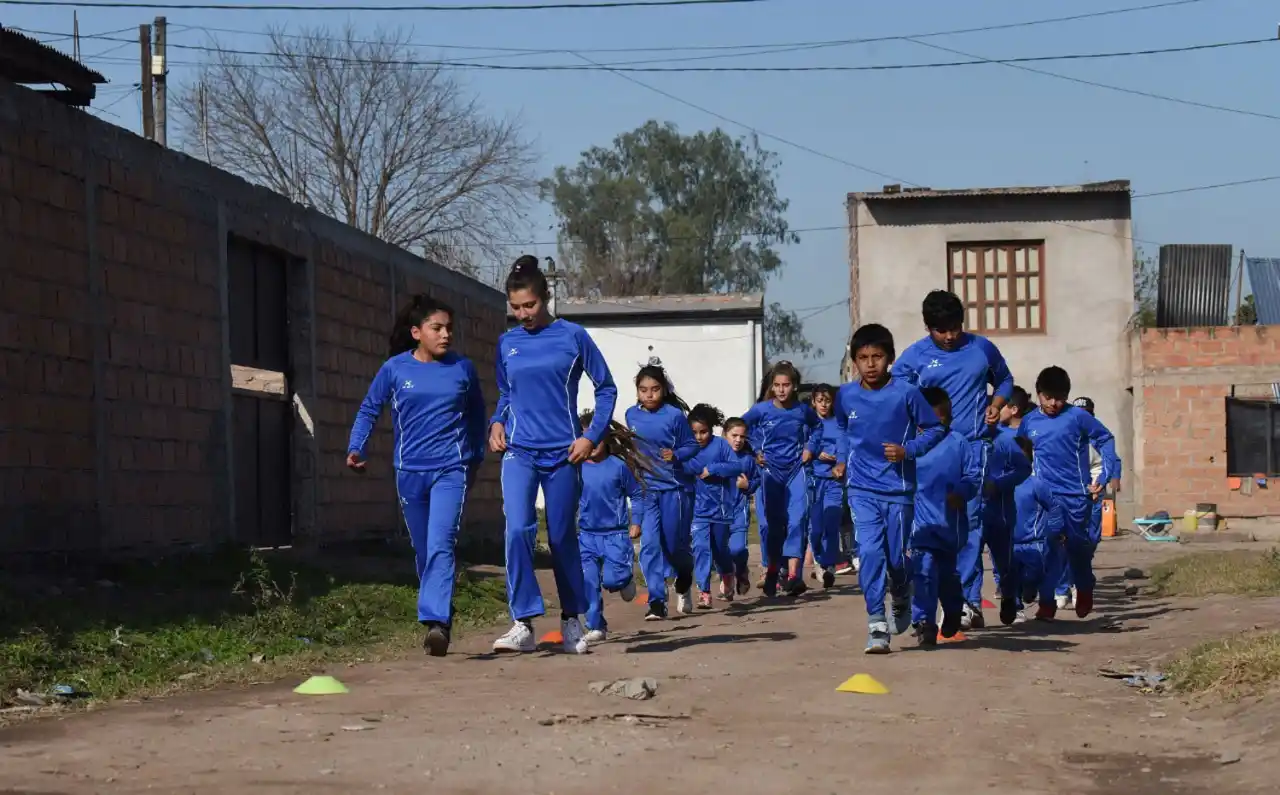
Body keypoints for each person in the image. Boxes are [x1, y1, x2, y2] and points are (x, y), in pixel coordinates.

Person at [489, 255, 618, 655]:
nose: (523, 314)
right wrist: (496, 423)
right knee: (517, 529)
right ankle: (523, 622)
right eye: (516, 307)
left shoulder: (573, 337)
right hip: (520, 451)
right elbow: (506, 394)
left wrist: (591, 436)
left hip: (564, 453)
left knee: (562, 536)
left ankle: (571, 620)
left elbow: (606, 387)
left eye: (530, 305)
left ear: (546, 299)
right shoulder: (506, 343)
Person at [346, 295, 486, 657]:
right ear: (416, 332)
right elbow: (368, 408)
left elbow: (476, 416)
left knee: (441, 542)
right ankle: (441, 610)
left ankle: (435, 621)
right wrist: (356, 446)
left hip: (450, 470)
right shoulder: (394, 370)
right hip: (409, 471)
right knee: (424, 549)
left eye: (449, 329)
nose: (445, 335)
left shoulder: (463, 369)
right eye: (437, 328)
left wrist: (474, 458)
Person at [893, 290, 1014, 630]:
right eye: (941, 330)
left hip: (971, 449)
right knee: (928, 531)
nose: (949, 336)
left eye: (955, 328)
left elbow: (1004, 378)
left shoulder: (981, 348)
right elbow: (896, 398)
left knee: (970, 526)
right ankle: (926, 602)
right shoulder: (913, 358)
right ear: (928, 328)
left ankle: (969, 603)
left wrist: (997, 402)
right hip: (928, 453)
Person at [833, 324, 945, 654]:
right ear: (854, 361)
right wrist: (841, 459)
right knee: (868, 552)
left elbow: (934, 429)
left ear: (891, 359)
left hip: (898, 488)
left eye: (877, 357)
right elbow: (841, 429)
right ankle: (876, 623)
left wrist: (907, 450)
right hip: (861, 487)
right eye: (863, 358)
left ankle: (900, 591)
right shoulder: (846, 395)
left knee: (896, 558)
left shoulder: (907, 393)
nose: (870, 364)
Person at [1016, 367, 1121, 619]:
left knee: (1076, 548)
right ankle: (1047, 601)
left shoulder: (1077, 417)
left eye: (1060, 397)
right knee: (1046, 548)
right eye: (1048, 397)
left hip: (1075, 495)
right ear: (1039, 394)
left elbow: (1106, 439)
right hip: (1043, 496)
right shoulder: (1029, 421)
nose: (1054, 403)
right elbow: (1020, 453)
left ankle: (1084, 588)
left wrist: (1104, 476)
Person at [909, 386, 982, 646]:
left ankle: (953, 608)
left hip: (949, 524)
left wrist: (960, 493)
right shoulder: (908, 446)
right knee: (923, 572)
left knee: (947, 574)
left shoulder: (958, 443)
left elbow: (973, 477)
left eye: (942, 421)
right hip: (918, 526)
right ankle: (924, 622)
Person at [743, 361, 823, 597]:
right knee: (770, 525)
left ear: (794, 386)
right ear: (771, 386)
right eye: (777, 385)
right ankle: (772, 569)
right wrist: (754, 451)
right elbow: (739, 428)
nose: (781, 390)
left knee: (797, 520)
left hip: (795, 470)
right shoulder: (761, 410)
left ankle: (793, 576)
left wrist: (810, 447)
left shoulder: (802, 410)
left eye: (786, 385)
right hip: (770, 472)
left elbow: (817, 427)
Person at [626, 361, 699, 620]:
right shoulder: (630, 416)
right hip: (647, 490)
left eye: (655, 389)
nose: (649, 394)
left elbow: (692, 446)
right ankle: (657, 601)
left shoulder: (674, 416)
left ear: (664, 390)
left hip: (674, 489)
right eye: (643, 389)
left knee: (673, 544)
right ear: (637, 391)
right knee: (649, 546)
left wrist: (676, 453)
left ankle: (685, 573)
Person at [576, 411, 652, 644]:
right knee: (588, 582)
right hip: (586, 535)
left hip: (616, 535)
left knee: (611, 581)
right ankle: (595, 625)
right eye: (587, 437)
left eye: (597, 436)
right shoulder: (576, 467)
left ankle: (625, 579)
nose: (593, 442)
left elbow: (637, 495)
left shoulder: (619, 466)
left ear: (607, 437)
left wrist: (636, 521)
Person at [684, 403, 755, 607]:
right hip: (698, 511)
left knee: (720, 550)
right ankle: (704, 591)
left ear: (712, 429)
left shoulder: (721, 446)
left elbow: (736, 466)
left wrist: (713, 469)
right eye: (694, 432)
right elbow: (680, 466)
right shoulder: (687, 449)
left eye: (703, 432)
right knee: (700, 548)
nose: (699, 437)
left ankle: (727, 573)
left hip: (721, 510)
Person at [980, 397, 1033, 626]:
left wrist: (999, 484)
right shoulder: (962, 439)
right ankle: (969, 606)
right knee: (968, 561)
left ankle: (1011, 598)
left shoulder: (1005, 440)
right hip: (971, 514)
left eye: (991, 411)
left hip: (999, 514)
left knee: (1005, 564)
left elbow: (1024, 469)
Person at [1007, 437, 1069, 621]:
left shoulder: (1036, 484)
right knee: (1009, 577)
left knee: (1037, 577)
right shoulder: (1001, 485)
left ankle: (1044, 604)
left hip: (1035, 544)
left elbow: (1054, 507)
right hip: (1008, 543)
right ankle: (1015, 608)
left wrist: (1056, 530)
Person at [1055, 396, 1107, 610]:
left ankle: (1081, 578)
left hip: (1091, 496)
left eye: (1087, 413)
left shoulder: (1097, 437)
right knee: (1065, 542)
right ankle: (1065, 586)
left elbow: (1103, 464)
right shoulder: (1064, 435)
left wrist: (1098, 484)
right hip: (1067, 496)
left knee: (1089, 541)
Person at [807, 384, 845, 589]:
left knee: (832, 523)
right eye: (819, 400)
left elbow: (845, 446)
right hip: (813, 480)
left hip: (833, 481)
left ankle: (828, 565)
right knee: (816, 527)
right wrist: (815, 452)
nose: (823, 404)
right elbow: (800, 446)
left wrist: (840, 462)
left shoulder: (839, 423)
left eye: (827, 400)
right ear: (813, 402)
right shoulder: (807, 424)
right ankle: (819, 559)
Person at [722, 416, 761, 597]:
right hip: (715, 513)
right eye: (734, 435)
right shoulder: (714, 455)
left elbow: (757, 480)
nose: (738, 440)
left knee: (737, 549)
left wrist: (748, 487)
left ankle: (742, 571)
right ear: (724, 435)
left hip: (738, 510)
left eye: (742, 436)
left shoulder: (747, 459)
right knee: (719, 550)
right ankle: (727, 579)